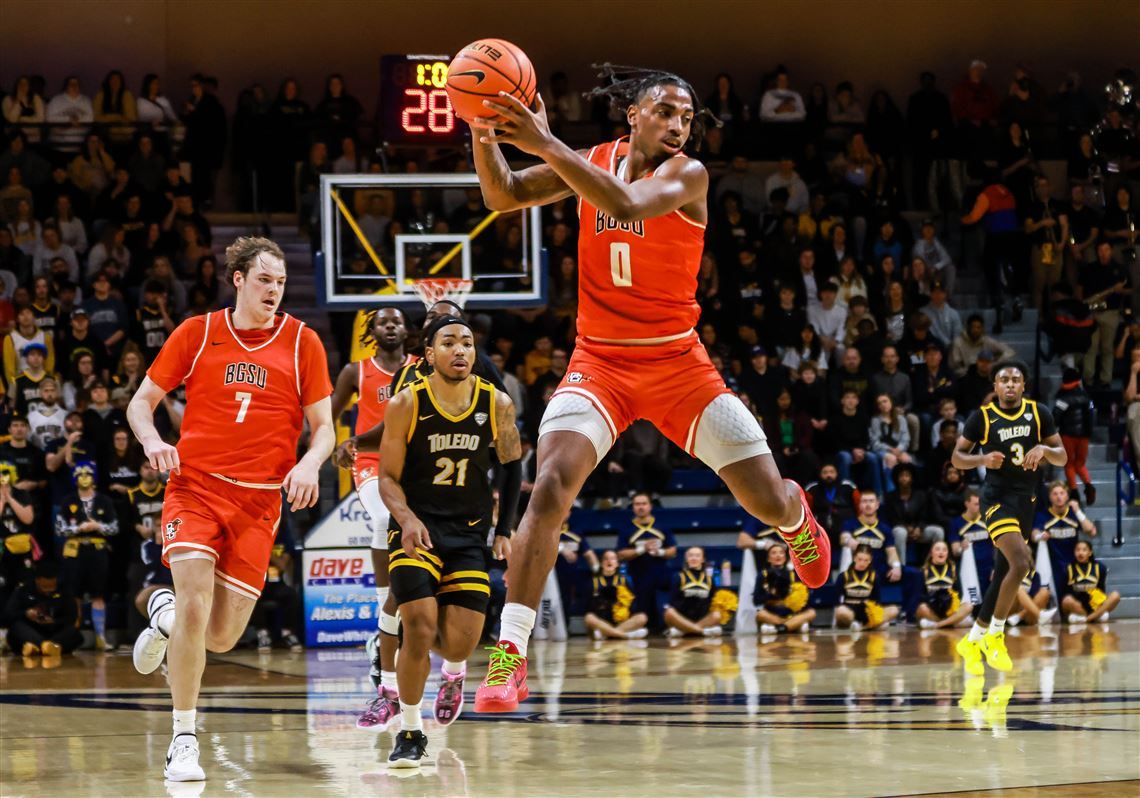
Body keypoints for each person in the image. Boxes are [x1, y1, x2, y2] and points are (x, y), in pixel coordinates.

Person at [467, 67, 830, 712]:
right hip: (599, 363)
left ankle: (796, 518)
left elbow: (626, 205)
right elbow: (502, 195)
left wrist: (546, 140)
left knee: (765, 502)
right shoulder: (591, 161)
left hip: (677, 365)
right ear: (631, 114)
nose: (677, 125)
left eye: (686, 117)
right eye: (665, 111)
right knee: (548, 483)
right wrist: (481, 128)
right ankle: (510, 655)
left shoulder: (688, 176)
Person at [127, 237, 333, 782]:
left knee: (219, 636)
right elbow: (140, 404)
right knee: (197, 604)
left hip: (259, 501)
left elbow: (326, 429)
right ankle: (184, 738)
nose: (275, 290)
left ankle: (161, 615)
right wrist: (152, 441)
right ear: (237, 279)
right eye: (265, 280)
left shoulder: (301, 342)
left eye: (282, 282)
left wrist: (310, 464)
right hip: (195, 487)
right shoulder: (197, 333)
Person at [377, 316, 520, 767]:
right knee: (418, 623)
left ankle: (445, 670)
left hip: (469, 533)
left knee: (459, 645)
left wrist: (505, 529)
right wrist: (405, 517)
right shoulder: (406, 403)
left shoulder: (495, 403)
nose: (460, 350)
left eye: (467, 343)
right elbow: (386, 478)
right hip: (415, 530)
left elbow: (512, 466)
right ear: (429, 353)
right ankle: (411, 730)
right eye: (449, 342)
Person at [328, 307, 414, 729]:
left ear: (407, 330)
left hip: (412, 464)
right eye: (383, 322)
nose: (391, 326)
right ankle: (385, 615)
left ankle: (392, 630)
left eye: (397, 321)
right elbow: (326, 413)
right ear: (372, 331)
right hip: (369, 462)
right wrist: (328, 447)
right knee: (383, 518)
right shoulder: (355, 371)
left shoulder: (420, 369)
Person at [953, 360, 1066, 675]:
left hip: (1027, 501)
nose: (1011, 384)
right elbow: (956, 458)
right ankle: (995, 636)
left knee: (1004, 574)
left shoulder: (1039, 413)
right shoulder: (983, 418)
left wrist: (1044, 449)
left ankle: (972, 638)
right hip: (996, 500)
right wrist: (982, 458)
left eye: (1016, 379)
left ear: (1024, 385)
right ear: (995, 386)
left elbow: (1063, 456)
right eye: (1004, 379)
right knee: (1020, 563)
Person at [55, 461, 118, 649]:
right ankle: (72, 636)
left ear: (94, 477)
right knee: (75, 595)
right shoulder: (68, 501)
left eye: (88, 474)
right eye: (80, 474)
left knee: (98, 594)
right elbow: (59, 529)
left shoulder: (104, 501)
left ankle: (100, 638)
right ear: (74, 478)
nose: (84, 477)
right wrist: (78, 528)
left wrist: (98, 526)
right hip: (75, 551)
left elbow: (115, 527)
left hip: (97, 551)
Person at [615, 492, 677, 632]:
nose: (641, 507)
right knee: (643, 610)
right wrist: (642, 549)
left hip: (661, 573)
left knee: (664, 606)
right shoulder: (626, 529)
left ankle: (665, 627)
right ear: (633, 507)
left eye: (644, 504)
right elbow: (621, 554)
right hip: (638, 574)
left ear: (650, 506)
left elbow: (673, 551)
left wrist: (660, 552)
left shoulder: (662, 526)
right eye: (637, 504)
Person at [4, 560, 82, 659]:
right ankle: (45, 646)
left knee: (74, 633)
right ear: (38, 580)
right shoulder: (23, 590)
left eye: (51, 588)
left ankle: (40, 648)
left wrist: (54, 621)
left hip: (54, 632)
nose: (48, 591)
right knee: (16, 628)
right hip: (30, 631)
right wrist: (26, 613)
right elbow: (8, 615)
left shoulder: (64, 591)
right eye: (45, 587)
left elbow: (71, 617)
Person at [1052, 368, 1095, 505]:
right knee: (1080, 464)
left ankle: (1074, 493)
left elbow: (1055, 416)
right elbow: (1092, 415)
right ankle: (1088, 486)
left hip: (1068, 435)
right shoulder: (1086, 397)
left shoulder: (1063, 397)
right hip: (1084, 436)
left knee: (1069, 464)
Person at [583, 549, 648, 640]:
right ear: (601, 563)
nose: (609, 561)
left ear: (617, 564)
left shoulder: (624, 581)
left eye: (613, 559)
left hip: (621, 621)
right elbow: (588, 607)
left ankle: (607, 634)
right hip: (602, 621)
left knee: (642, 617)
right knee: (588, 618)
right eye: (606, 559)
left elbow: (632, 604)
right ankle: (625, 635)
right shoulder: (594, 582)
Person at [752, 542, 815, 634]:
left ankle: (779, 628)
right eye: (774, 553)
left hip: (792, 613)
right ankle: (792, 626)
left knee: (811, 612)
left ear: (785, 557)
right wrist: (770, 596)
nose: (778, 555)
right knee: (760, 614)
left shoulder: (795, 574)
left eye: (781, 553)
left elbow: (805, 599)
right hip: (773, 614)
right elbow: (756, 600)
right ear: (768, 559)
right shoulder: (763, 575)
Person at [834, 544, 898, 631]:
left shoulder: (874, 576)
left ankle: (863, 626)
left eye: (866, 560)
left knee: (894, 610)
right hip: (850, 611)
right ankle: (872, 625)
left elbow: (877, 601)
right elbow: (836, 600)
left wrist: (875, 613)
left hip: (867, 612)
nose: (862, 563)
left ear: (870, 560)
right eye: (860, 559)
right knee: (840, 611)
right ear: (854, 558)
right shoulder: (843, 576)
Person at [915, 541, 973, 629]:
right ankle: (953, 623)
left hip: (949, 609)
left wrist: (950, 602)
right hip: (932, 609)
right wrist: (934, 601)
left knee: (968, 606)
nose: (941, 552)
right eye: (937, 549)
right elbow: (919, 595)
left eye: (944, 550)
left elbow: (959, 593)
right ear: (931, 553)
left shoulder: (953, 569)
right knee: (921, 608)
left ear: (947, 553)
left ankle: (938, 625)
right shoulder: (924, 571)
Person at [1061, 540, 1120, 624]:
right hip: (1078, 605)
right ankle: (1096, 617)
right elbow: (1065, 592)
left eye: (1084, 550)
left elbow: (1101, 590)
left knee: (1115, 595)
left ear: (1090, 552)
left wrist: (1098, 603)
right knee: (1066, 601)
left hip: (1095, 605)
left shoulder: (1100, 567)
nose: (1080, 553)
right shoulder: (1068, 568)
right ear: (1074, 552)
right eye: (1078, 550)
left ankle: (1088, 618)